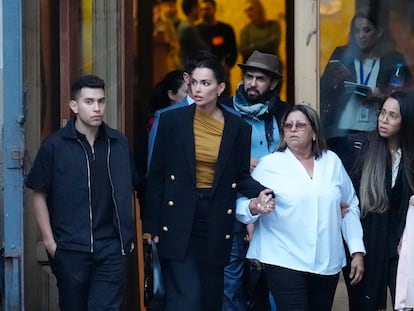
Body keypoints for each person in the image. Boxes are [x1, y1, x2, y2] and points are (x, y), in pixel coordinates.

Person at [143, 54, 275, 311]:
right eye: (193, 83)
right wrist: (151, 227)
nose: (197, 89)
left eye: (205, 83)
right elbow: (156, 175)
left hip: (216, 220)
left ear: (221, 88)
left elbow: (240, 176)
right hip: (178, 219)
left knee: (210, 300)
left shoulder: (238, 127)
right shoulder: (172, 121)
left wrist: (264, 194)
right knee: (186, 301)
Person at [236, 104, 365, 311]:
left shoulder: (331, 162)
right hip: (283, 258)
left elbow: (350, 206)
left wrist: (356, 249)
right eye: (288, 126)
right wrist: (254, 206)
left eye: (300, 125)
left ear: (314, 132)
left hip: (327, 260)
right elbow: (241, 204)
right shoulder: (270, 165)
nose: (293, 129)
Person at [26, 75, 137, 311]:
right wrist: (51, 243)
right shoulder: (55, 146)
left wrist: (125, 240)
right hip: (71, 250)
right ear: (74, 106)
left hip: (111, 248)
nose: (97, 108)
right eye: (89, 102)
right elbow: (39, 195)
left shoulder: (118, 143)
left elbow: (131, 190)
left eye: (101, 101)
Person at [222, 50, 290, 311]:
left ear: (272, 83)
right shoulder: (224, 110)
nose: (252, 83)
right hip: (234, 204)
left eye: (260, 78)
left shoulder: (287, 114)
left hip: (275, 206)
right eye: (248, 76)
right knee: (234, 284)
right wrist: (238, 163)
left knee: (276, 283)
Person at [342, 91, 414, 310]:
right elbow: (348, 204)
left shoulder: (410, 156)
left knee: (406, 303)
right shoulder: (358, 148)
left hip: (400, 245)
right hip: (366, 242)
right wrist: (356, 252)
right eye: (382, 112)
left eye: (393, 115)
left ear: (406, 120)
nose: (384, 119)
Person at [320, 6, 411, 157]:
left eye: (367, 30)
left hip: (376, 130)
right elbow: (322, 89)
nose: (361, 35)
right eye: (357, 31)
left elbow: (406, 94)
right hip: (342, 130)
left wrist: (383, 96)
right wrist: (334, 81)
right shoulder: (342, 55)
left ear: (378, 33)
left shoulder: (393, 59)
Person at [197, 0, 237, 98]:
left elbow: (233, 51)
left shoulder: (226, 29)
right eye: (202, 10)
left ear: (214, 9)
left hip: (221, 75)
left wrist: (227, 66)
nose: (204, 12)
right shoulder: (196, 30)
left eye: (207, 9)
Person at [152, 0, 181, 83]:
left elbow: (176, 46)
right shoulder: (139, 26)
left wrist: (167, 42)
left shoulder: (166, 24)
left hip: (165, 67)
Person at [176, 0, 209, 66]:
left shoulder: (182, 25)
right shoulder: (188, 28)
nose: (200, 11)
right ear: (194, 9)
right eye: (198, 7)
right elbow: (202, 49)